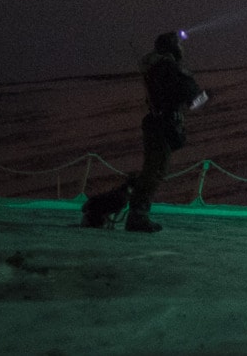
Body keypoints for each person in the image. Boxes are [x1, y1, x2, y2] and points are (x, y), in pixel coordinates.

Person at [81, 31, 207, 232]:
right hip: (163, 124)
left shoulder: (156, 67)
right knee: (154, 171)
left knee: (153, 170)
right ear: (172, 47)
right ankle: (135, 215)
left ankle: (108, 204)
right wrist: (204, 95)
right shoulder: (168, 68)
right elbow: (192, 98)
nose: (182, 49)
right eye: (179, 45)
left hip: (158, 123)